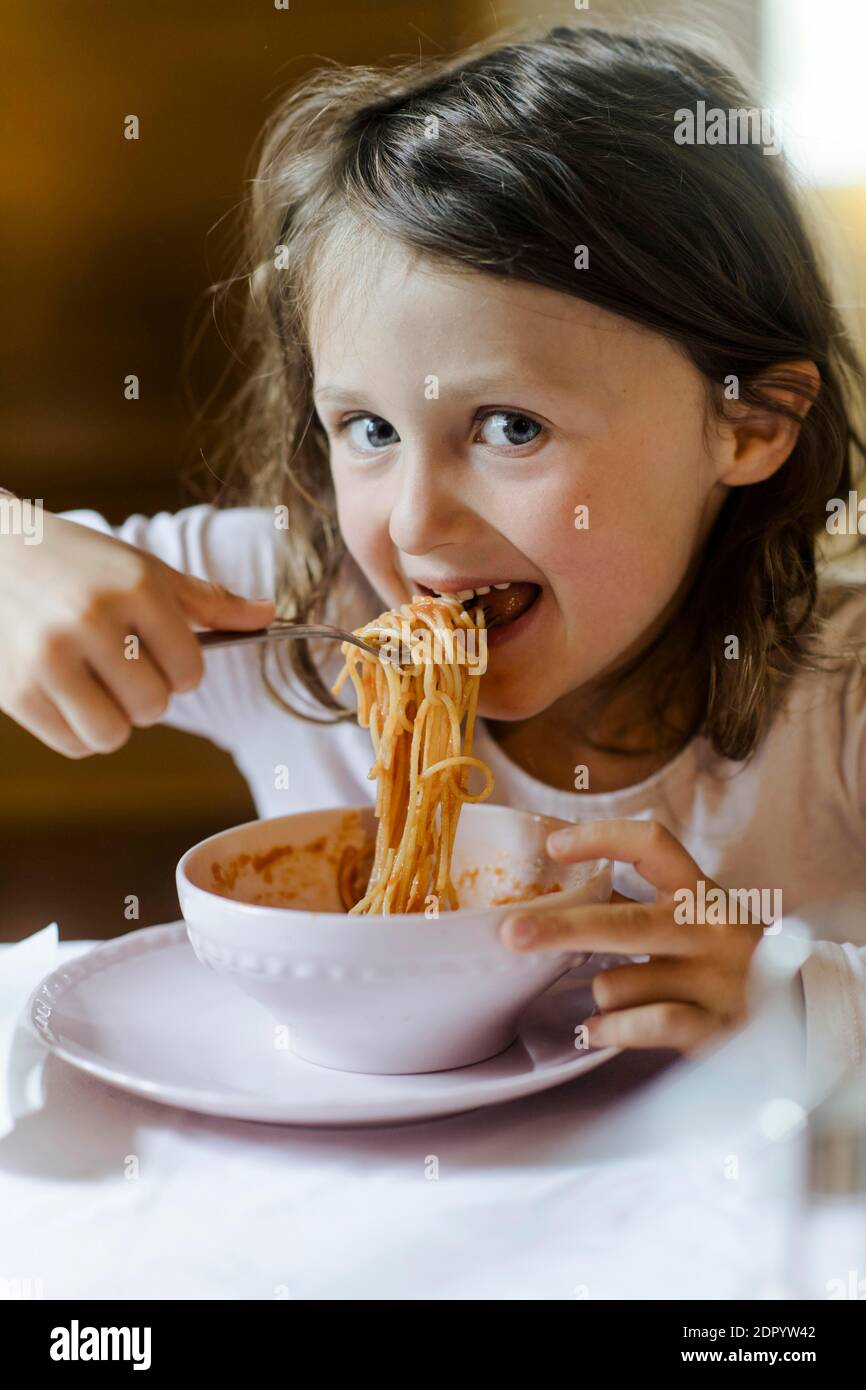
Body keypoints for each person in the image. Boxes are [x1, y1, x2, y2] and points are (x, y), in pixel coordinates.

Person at [3, 22, 865, 1091]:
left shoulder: (839, 693)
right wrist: (17, 559)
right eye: (367, 430)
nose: (414, 524)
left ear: (748, 423)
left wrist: (805, 998)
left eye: (509, 427)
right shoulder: (284, 600)